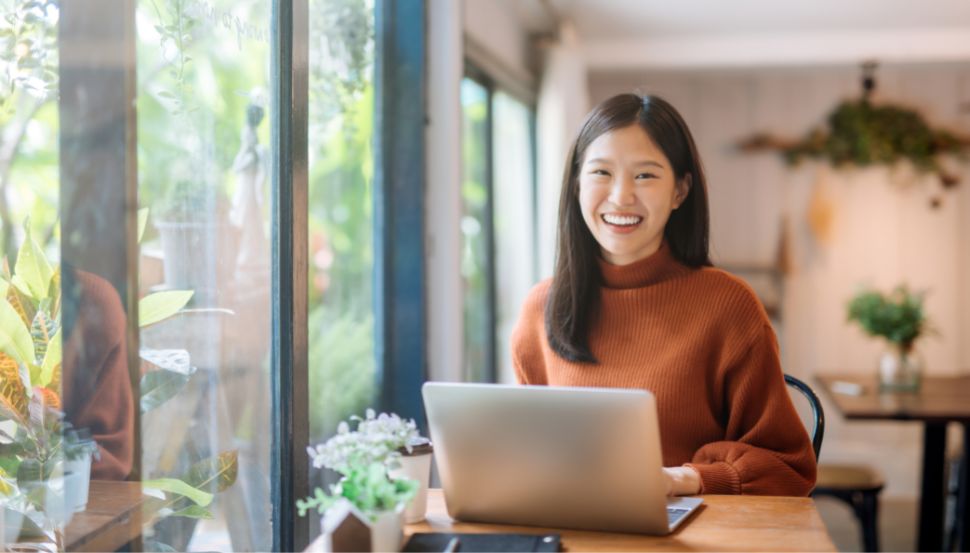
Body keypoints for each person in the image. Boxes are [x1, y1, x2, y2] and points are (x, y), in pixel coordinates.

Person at [511, 93, 816, 497]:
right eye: (601, 172)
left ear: (680, 191)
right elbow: (526, 450)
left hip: (689, 534)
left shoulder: (728, 306)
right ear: (576, 185)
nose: (621, 197)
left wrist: (686, 479)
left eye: (645, 176)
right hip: (571, 526)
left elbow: (789, 467)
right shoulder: (541, 307)